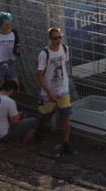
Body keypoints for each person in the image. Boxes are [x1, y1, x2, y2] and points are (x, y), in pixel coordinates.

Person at [37, 26, 75, 155]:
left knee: (66, 115)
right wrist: (49, 93)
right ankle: (39, 128)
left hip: (63, 88)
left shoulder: (65, 49)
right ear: (49, 39)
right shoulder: (44, 54)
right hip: (49, 89)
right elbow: (39, 75)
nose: (58, 41)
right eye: (55, 38)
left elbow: (65, 65)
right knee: (46, 115)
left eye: (60, 38)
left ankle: (66, 143)